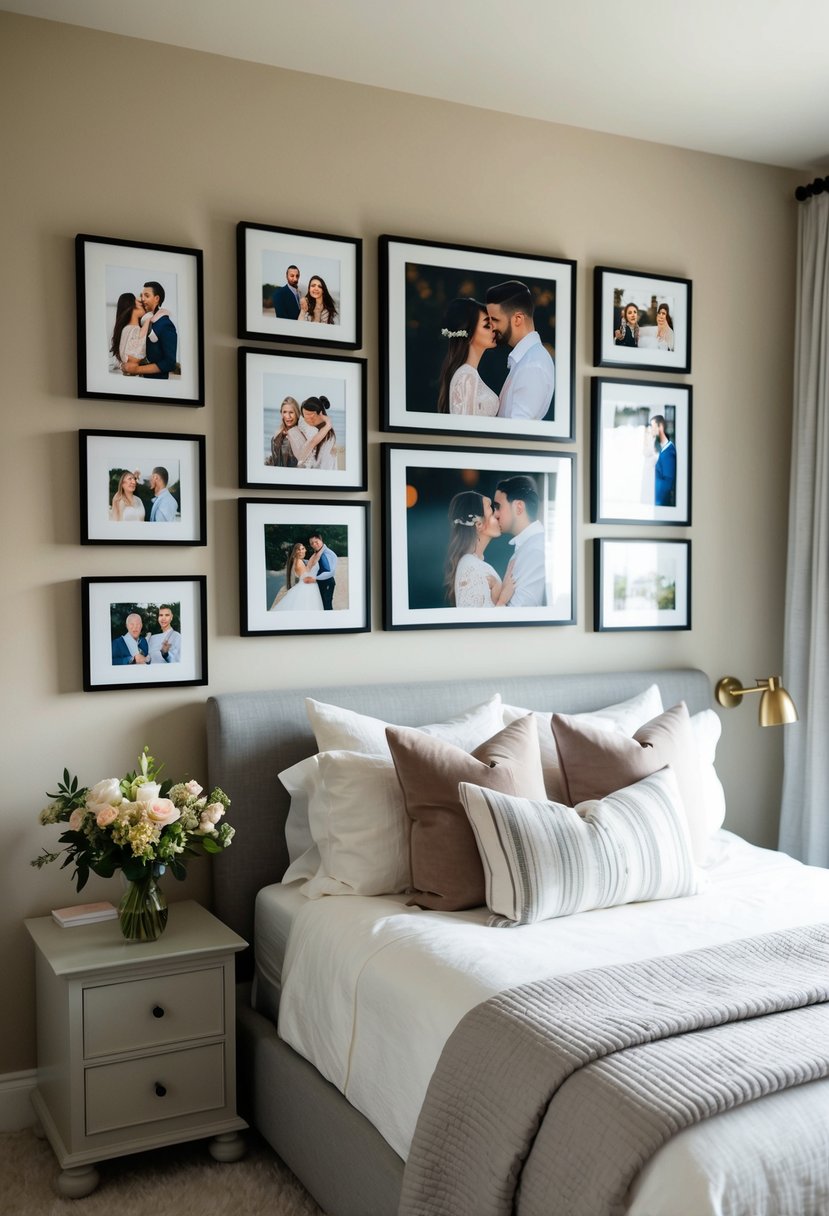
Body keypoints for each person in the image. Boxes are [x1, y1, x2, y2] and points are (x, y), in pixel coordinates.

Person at [485, 281, 555, 421]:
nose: (491, 327)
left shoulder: (532, 366)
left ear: (518, 319)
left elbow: (517, 434)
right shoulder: (527, 359)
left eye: (495, 320)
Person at [445, 491, 516, 608]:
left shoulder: (473, 563)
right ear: (479, 524)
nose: (497, 516)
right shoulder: (470, 566)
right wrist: (502, 600)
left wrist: (496, 595)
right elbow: (472, 624)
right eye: (492, 512)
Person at [436, 298, 499, 417]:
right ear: (469, 333)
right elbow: (466, 428)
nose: (494, 329)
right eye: (487, 325)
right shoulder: (466, 376)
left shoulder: (468, 374)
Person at [492, 475, 547, 607]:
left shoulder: (535, 550)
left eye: (498, 507)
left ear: (519, 507)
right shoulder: (529, 546)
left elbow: (520, 614)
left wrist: (500, 601)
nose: (495, 514)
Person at [121, 281, 177, 379]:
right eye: (141, 296)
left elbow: (169, 363)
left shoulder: (165, 324)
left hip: (157, 385)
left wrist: (136, 370)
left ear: (157, 299)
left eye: (146, 296)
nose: (142, 299)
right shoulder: (143, 322)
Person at [273, 542, 324, 612]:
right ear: (295, 552)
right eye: (299, 550)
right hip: (307, 588)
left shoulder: (299, 561)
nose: (301, 551)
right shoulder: (299, 562)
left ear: (305, 549)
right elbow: (306, 577)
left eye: (303, 549)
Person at [299, 397, 337, 469]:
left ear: (321, 414)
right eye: (306, 417)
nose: (309, 420)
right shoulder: (313, 430)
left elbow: (325, 463)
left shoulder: (327, 435)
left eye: (312, 416)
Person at [304, 530, 337, 609]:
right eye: (312, 543)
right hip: (320, 583)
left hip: (327, 583)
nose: (314, 544)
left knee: (326, 605)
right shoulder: (318, 553)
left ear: (321, 540)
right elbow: (315, 564)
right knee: (321, 605)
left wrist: (315, 578)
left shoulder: (327, 554)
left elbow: (330, 572)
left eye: (316, 542)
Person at [651, 415, 677, 506]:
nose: (651, 431)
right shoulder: (661, 450)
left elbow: (668, 484)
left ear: (660, 427)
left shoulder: (669, 452)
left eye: (653, 427)